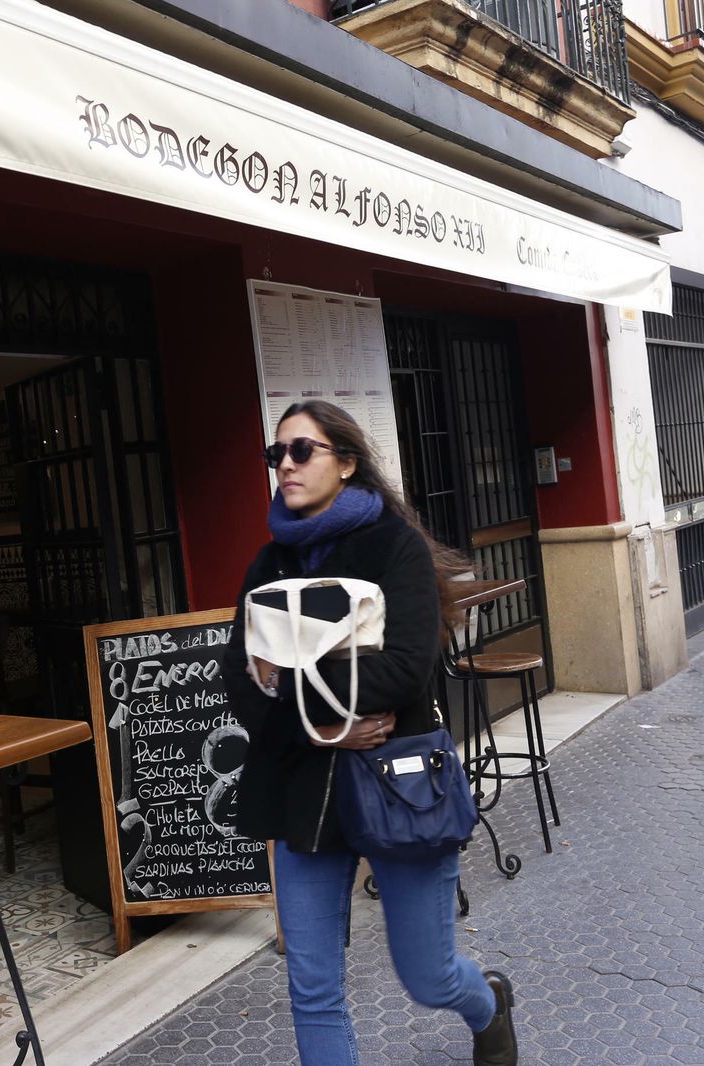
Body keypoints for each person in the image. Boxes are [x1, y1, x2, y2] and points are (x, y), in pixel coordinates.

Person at [221, 400, 519, 1066]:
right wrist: (321, 726)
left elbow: (405, 674)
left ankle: (488, 1004)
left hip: (398, 785)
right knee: (312, 987)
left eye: (303, 451)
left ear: (346, 462)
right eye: (277, 455)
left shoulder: (394, 547)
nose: (286, 466)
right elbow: (238, 680)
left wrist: (288, 684)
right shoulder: (269, 564)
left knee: (428, 976)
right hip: (302, 793)